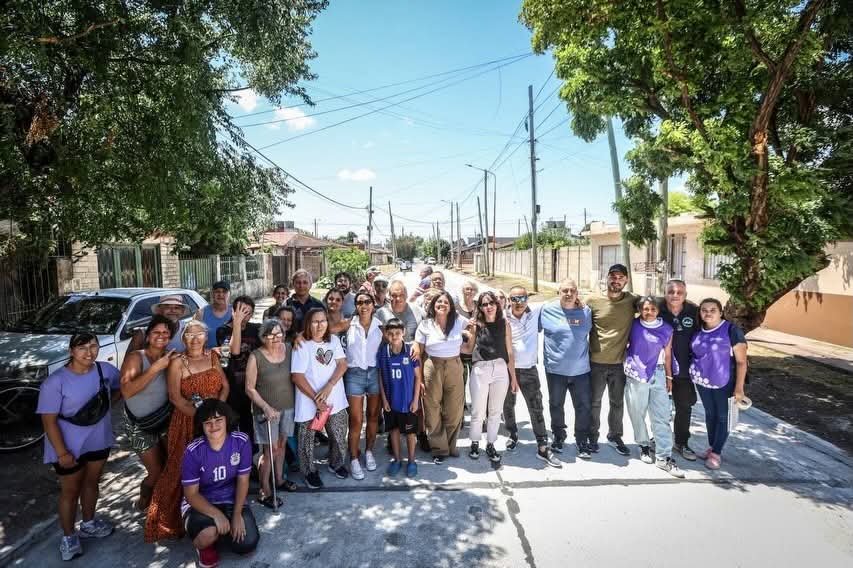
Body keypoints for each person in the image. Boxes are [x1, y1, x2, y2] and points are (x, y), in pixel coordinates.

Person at [37, 333, 121, 561]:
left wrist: (104, 407)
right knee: (70, 491)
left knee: (92, 483)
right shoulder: (55, 382)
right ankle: (69, 537)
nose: (89, 352)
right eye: (82, 347)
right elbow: (49, 422)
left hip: (99, 439)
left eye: (93, 346)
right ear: (71, 351)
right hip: (68, 446)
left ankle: (89, 523)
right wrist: (62, 452)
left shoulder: (105, 370)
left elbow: (121, 387)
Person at [145, 320, 229, 542]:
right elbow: (175, 398)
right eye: (190, 335)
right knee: (180, 469)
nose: (195, 339)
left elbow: (225, 386)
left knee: (213, 466)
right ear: (183, 338)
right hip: (187, 422)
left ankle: (214, 511)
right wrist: (203, 420)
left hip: (216, 421)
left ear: (206, 336)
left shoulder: (213, 356)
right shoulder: (177, 363)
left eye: (199, 334)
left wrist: (217, 414)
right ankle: (171, 520)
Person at [181, 400, 259, 567]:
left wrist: (237, 514)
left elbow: (243, 480)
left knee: (247, 545)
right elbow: (191, 494)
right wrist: (217, 515)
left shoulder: (241, 441)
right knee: (207, 535)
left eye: (218, 420)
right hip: (201, 502)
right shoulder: (193, 451)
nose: (214, 426)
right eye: (208, 422)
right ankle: (207, 543)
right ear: (201, 425)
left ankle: (223, 530)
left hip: (230, 498)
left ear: (227, 420)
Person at [120, 315, 179, 511]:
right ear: (148, 335)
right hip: (138, 424)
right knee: (155, 471)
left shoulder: (171, 356)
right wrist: (156, 368)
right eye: (156, 332)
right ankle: (143, 503)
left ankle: (162, 506)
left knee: (171, 465)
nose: (161, 336)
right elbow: (127, 391)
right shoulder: (136, 357)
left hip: (163, 419)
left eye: (165, 333)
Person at [623, 296, 684, 478]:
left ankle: (664, 457)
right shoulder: (633, 325)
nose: (648, 312)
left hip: (659, 373)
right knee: (637, 412)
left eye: (652, 309)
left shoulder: (666, 328)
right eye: (645, 309)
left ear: (658, 311)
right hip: (637, 374)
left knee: (661, 416)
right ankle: (643, 444)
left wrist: (669, 376)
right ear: (640, 310)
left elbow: (668, 354)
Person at [291, 308, 350, 488]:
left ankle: (336, 463)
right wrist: (316, 399)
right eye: (315, 321)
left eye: (323, 321)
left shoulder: (333, 340)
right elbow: (297, 376)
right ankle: (309, 471)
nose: (319, 325)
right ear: (308, 324)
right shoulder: (302, 344)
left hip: (335, 399)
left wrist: (329, 385)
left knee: (339, 434)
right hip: (308, 401)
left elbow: (342, 364)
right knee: (306, 440)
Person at [503, 286, 561, 467]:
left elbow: (560, 300)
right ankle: (513, 434)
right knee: (508, 405)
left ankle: (542, 445)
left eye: (522, 298)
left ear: (527, 299)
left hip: (529, 370)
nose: (518, 302)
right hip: (508, 370)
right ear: (509, 300)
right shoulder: (503, 317)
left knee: (536, 407)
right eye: (514, 299)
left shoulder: (535, 312)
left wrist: (578, 301)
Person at [689, 298, 748, 470]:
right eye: (704, 310)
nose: (708, 313)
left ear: (721, 312)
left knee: (723, 417)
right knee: (710, 414)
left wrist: (739, 388)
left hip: (725, 382)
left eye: (712, 310)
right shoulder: (698, 330)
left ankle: (716, 453)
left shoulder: (731, 330)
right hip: (703, 381)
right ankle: (712, 447)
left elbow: (742, 362)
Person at [245, 319, 297, 508]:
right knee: (269, 451)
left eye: (279, 333)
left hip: (288, 407)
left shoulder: (289, 349)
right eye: (270, 334)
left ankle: (279, 479)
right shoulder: (256, 357)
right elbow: (249, 388)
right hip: (266, 412)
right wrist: (266, 407)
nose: (276, 338)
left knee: (281, 446)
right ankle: (264, 489)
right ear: (263, 337)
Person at [586, 263, 638, 455]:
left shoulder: (633, 300)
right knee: (594, 402)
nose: (616, 281)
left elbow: (656, 306)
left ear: (626, 280)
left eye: (620, 278)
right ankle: (591, 436)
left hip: (619, 364)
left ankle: (615, 436)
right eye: (613, 277)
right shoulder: (592, 300)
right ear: (607, 278)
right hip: (595, 363)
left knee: (617, 403)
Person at [540, 280, 594, 460]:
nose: (569, 294)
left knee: (583, 406)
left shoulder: (586, 312)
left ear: (577, 293)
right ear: (558, 292)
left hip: (581, 371)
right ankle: (558, 436)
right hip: (555, 370)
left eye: (572, 290)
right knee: (556, 405)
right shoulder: (546, 310)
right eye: (565, 290)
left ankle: (581, 440)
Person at [464, 291, 519, 467]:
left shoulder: (505, 324)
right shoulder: (477, 325)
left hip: (501, 369)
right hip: (481, 369)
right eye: (484, 304)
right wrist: (458, 337)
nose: (488, 307)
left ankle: (490, 444)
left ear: (497, 304)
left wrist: (513, 378)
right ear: (480, 308)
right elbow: (468, 348)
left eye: (491, 303)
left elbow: (510, 352)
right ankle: (474, 442)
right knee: (478, 410)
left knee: (495, 411)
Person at [414, 291, 467, 463]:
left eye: (446, 302)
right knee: (432, 408)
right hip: (432, 366)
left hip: (454, 365)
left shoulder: (459, 321)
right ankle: (439, 449)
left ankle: (451, 445)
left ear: (450, 306)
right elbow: (419, 352)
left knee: (455, 409)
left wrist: (472, 334)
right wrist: (420, 379)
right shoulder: (425, 325)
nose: (442, 304)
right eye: (439, 301)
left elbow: (475, 324)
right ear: (433, 305)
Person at [343, 291, 384, 480]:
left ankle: (368, 451)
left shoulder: (380, 326)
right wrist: (301, 337)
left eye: (367, 302)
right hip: (354, 374)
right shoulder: (348, 324)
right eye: (360, 302)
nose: (364, 305)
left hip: (374, 374)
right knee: (356, 420)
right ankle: (353, 458)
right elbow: (325, 330)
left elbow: (396, 340)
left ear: (373, 305)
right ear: (356, 306)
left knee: (373, 416)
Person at [658, 279, 699, 461]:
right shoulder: (657, 309)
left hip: (684, 370)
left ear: (685, 295)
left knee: (684, 408)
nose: (675, 295)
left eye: (679, 292)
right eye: (671, 291)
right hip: (659, 369)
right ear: (664, 293)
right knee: (659, 408)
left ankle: (681, 442)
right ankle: (658, 439)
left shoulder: (694, 312)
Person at [377, 318, 422, 477]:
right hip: (391, 401)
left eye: (397, 333)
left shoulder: (411, 352)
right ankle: (397, 460)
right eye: (390, 333)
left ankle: (411, 461)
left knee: (410, 433)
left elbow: (418, 377)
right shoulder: (384, 352)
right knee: (394, 431)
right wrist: (384, 399)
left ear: (403, 333)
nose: (394, 336)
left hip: (408, 402)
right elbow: (381, 376)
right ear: (386, 335)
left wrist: (415, 400)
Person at [216, 296, 260, 446]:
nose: (244, 316)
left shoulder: (255, 329)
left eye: (248, 313)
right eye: (241, 312)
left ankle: (250, 453)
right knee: (233, 423)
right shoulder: (222, 330)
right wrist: (237, 323)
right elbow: (234, 351)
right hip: (232, 385)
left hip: (251, 384)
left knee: (248, 423)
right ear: (233, 312)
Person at [196, 281, 233, 349]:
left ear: (229, 294)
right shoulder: (201, 313)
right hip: (208, 353)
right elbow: (195, 336)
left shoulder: (235, 312)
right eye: (217, 291)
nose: (220, 294)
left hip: (231, 353)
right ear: (212, 294)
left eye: (224, 292)